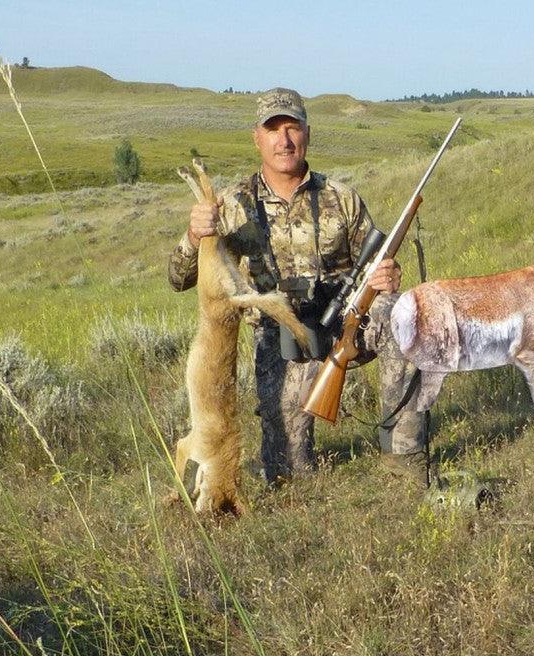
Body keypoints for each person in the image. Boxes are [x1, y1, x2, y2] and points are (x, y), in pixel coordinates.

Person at [168, 87, 429, 486]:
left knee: (402, 314)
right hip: (281, 339)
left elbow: (380, 264)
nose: (284, 140)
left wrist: (389, 277)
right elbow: (179, 279)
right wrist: (193, 234)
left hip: (343, 322)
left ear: (308, 132)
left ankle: (403, 457)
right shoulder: (232, 204)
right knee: (289, 477)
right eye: (273, 130)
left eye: (293, 128)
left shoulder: (341, 198)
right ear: (256, 136)